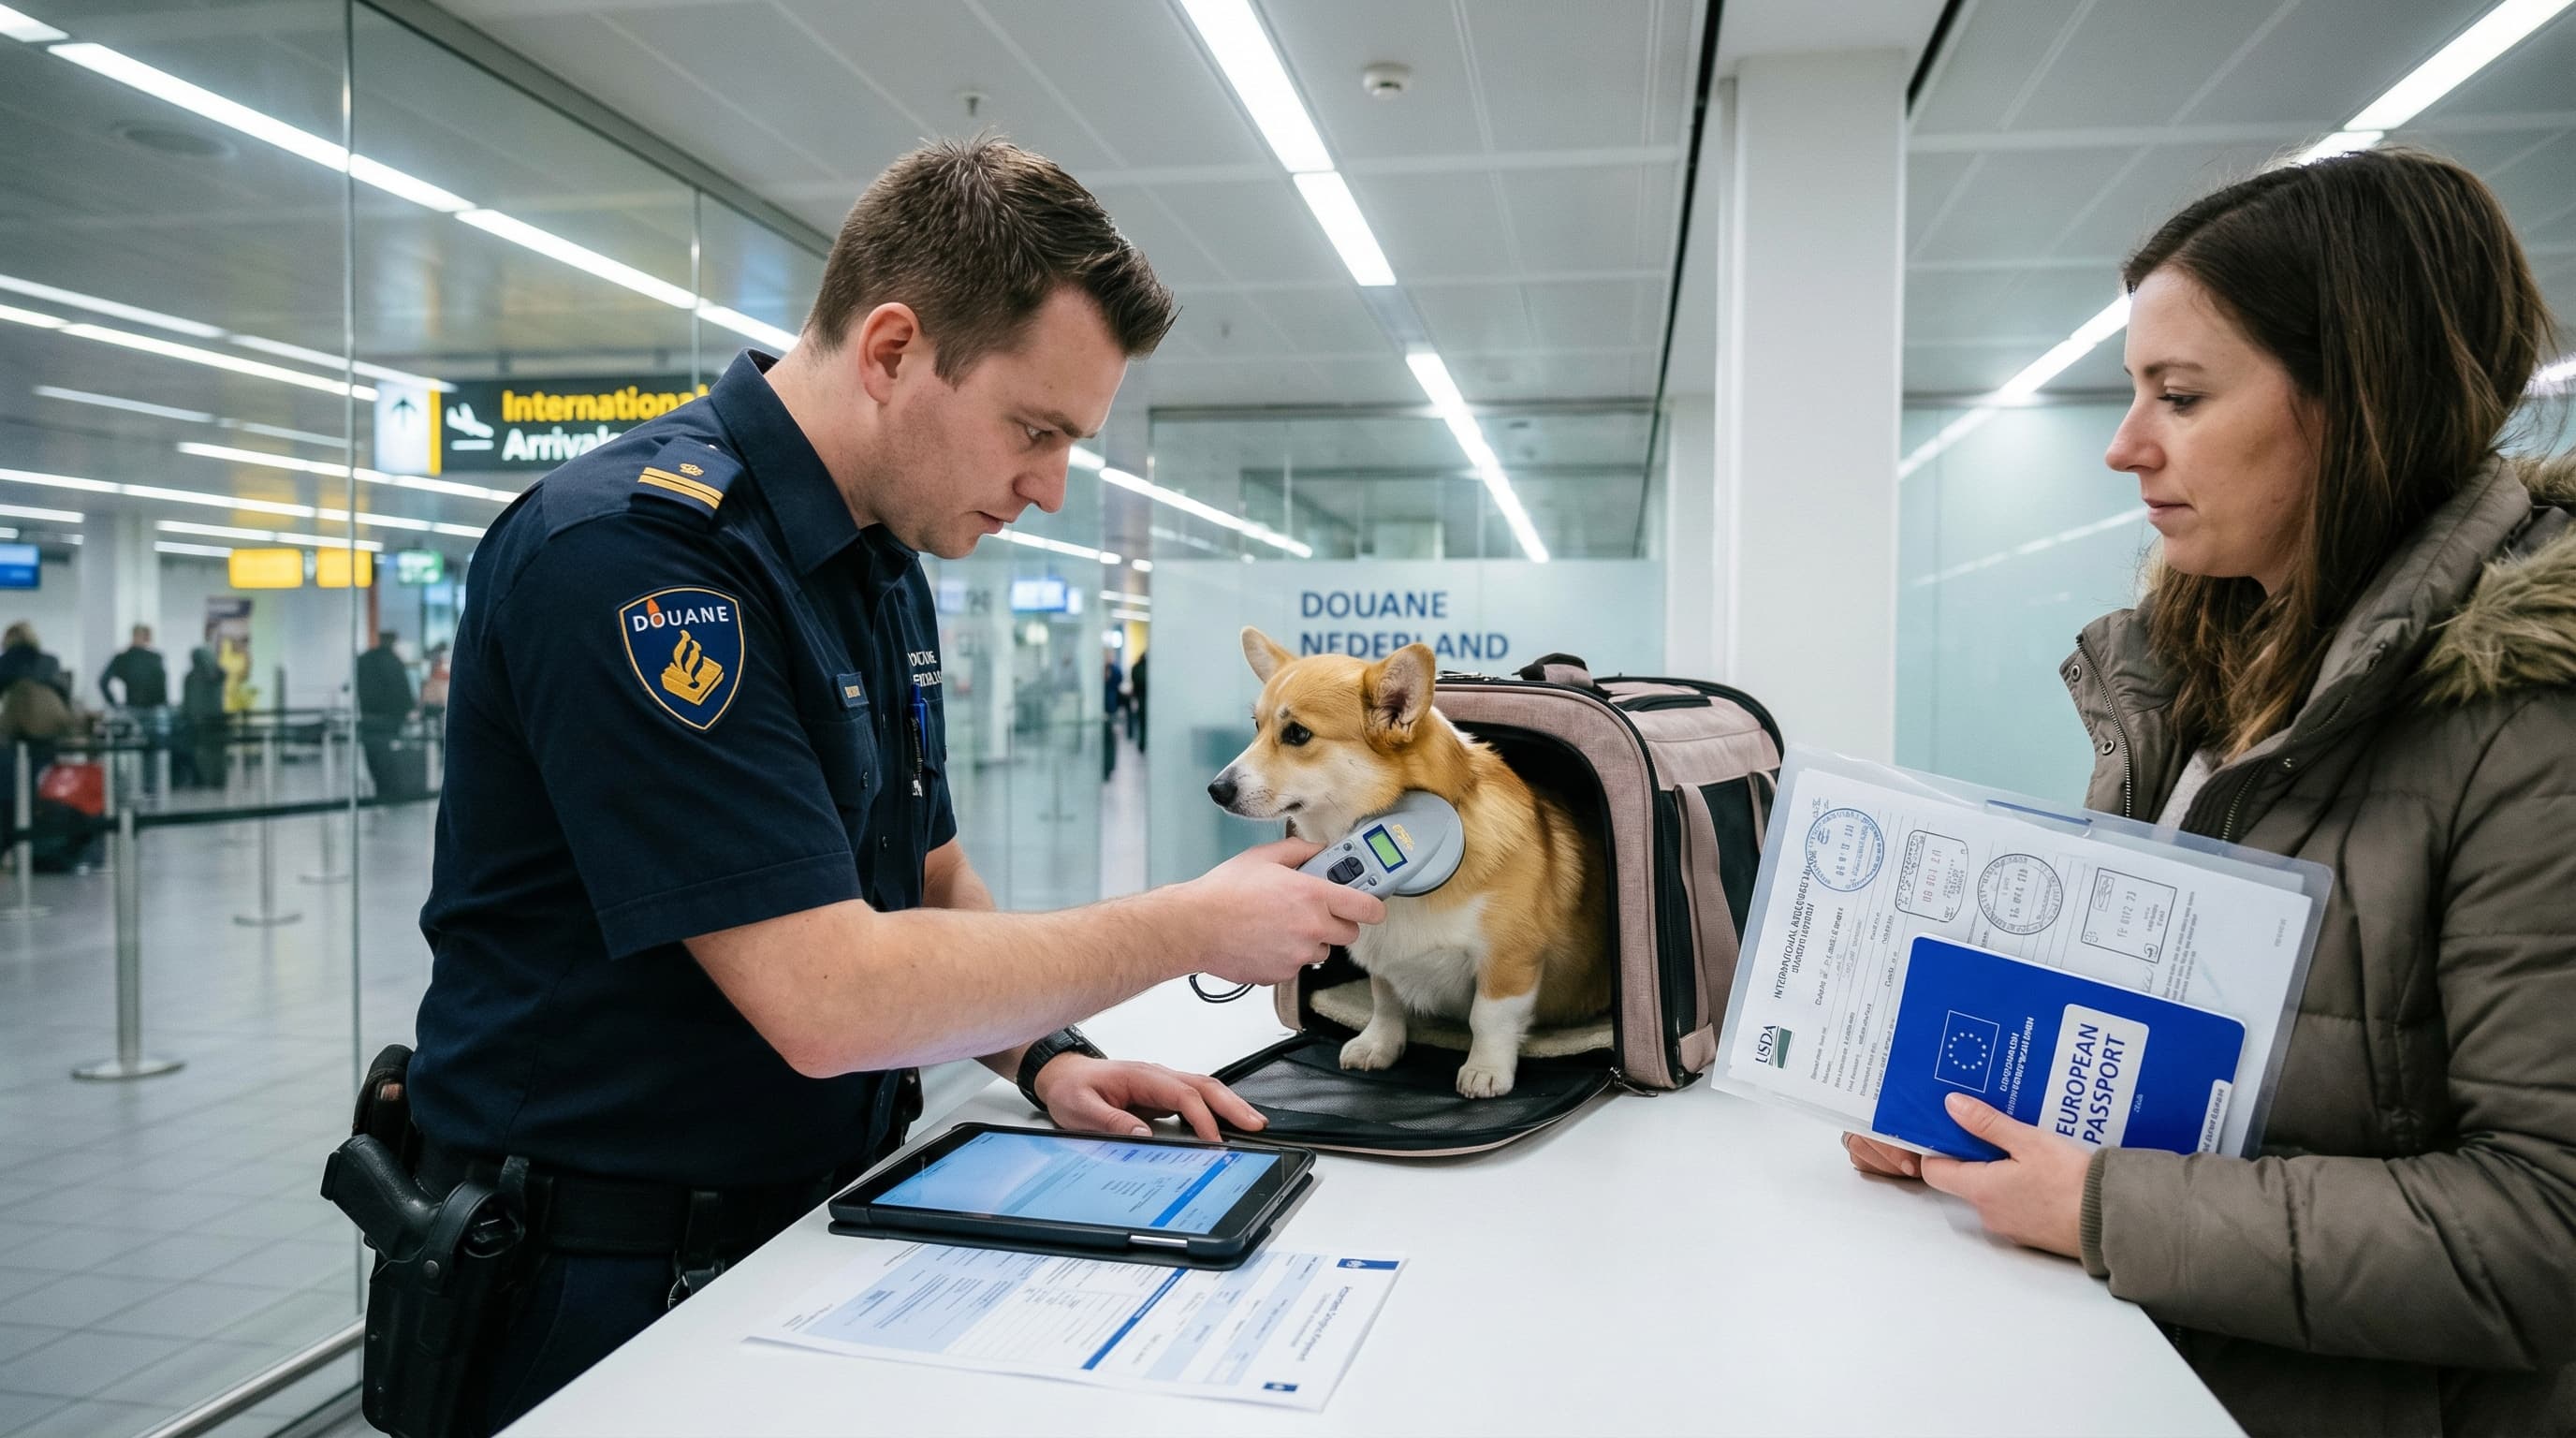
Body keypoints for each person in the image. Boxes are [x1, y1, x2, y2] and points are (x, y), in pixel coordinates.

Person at [401, 138, 1380, 1432]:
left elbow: (927, 874)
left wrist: (1046, 1058)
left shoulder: (873, 562)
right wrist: (1192, 926)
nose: (1050, 487)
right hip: (599, 1282)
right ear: (893, 350)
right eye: (1035, 430)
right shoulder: (639, 563)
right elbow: (828, 998)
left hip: (808, 1224)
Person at [1844, 150, 2575, 1436]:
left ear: (2361, 400)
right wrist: (1966, 1113)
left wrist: (2102, 1207)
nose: (2125, 446)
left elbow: (2542, 1231)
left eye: (2179, 396)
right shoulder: (2205, 669)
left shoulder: (2531, 724)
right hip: (2160, 1365)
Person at [354, 629, 417, 799]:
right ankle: (390, 792)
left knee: (373, 756)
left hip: (368, 717)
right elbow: (402, 691)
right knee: (388, 757)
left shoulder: (364, 659)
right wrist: (407, 711)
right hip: (390, 719)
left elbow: (358, 687)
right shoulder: (393, 661)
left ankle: (381, 790)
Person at [178, 645, 226, 789]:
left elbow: (190, 701)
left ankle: (202, 779)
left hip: (197, 721)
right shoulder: (218, 674)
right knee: (216, 751)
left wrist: (187, 716)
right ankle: (216, 779)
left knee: (200, 751)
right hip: (216, 719)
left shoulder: (192, 677)